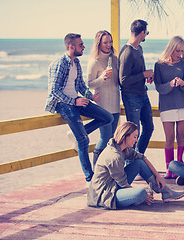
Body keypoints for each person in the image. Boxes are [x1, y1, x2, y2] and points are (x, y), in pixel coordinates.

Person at [45, 33, 113, 182]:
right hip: (63, 104)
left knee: (108, 117)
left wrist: (90, 97)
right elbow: (54, 91)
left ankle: (75, 134)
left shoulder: (76, 63)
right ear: (71, 46)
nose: (84, 47)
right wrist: (74, 102)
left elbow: (81, 85)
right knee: (83, 140)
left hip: (76, 100)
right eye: (81, 45)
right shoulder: (60, 64)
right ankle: (90, 179)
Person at [87, 121, 184, 209]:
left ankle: (166, 192)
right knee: (141, 193)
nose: (136, 140)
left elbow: (142, 157)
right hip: (105, 195)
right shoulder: (114, 156)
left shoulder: (122, 147)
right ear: (125, 135)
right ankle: (143, 196)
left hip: (114, 185)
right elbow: (123, 184)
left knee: (139, 162)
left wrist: (158, 176)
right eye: (134, 137)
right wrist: (144, 198)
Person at [154, 36, 184, 179]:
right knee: (169, 138)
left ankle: (180, 169)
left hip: (183, 104)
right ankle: (169, 168)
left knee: (181, 137)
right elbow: (158, 87)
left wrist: (182, 83)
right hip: (167, 106)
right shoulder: (159, 65)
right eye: (178, 50)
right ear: (171, 48)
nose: (180, 54)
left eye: (182, 51)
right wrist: (170, 84)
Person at [118, 19, 154, 154]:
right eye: (147, 33)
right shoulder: (127, 52)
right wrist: (143, 74)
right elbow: (123, 80)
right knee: (133, 132)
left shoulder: (139, 48)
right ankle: (131, 163)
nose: (146, 35)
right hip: (131, 96)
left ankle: (137, 156)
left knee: (149, 127)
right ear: (142, 33)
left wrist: (147, 76)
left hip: (142, 94)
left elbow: (138, 73)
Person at [87, 30, 121, 167]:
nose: (109, 45)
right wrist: (102, 78)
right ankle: (96, 168)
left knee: (112, 138)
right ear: (98, 44)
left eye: (110, 42)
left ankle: (106, 167)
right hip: (103, 104)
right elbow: (89, 84)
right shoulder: (94, 62)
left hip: (115, 102)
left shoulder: (115, 59)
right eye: (105, 42)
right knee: (105, 137)